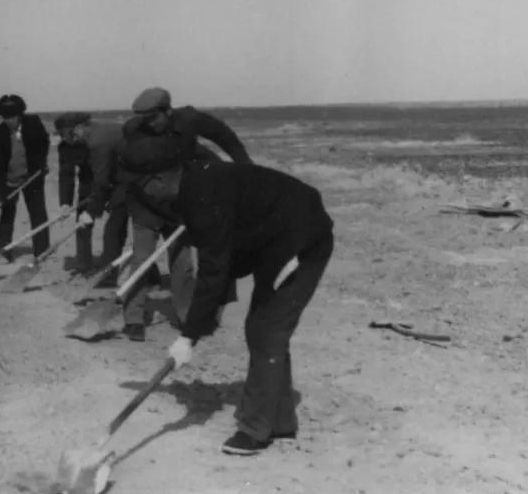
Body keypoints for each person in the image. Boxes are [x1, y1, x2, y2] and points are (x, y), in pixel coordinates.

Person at [129, 159, 335, 455]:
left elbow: (214, 268)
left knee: (267, 330)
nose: (150, 196)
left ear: (160, 178)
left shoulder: (201, 195)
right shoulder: (193, 187)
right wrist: (205, 316)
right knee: (265, 332)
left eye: (146, 188)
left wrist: (189, 336)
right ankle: (280, 423)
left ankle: (255, 430)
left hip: (301, 242)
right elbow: (223, 258)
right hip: (274, 239)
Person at [78, 87, 252, 341]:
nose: (148, 123)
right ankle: (134, 319)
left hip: (179, 206)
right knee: (142, 260)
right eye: (144, 118)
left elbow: (222, 137)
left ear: (167, 111)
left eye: (153, 118)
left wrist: (242, 167)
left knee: (183, 265)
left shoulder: (188, 120)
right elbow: (131, 178)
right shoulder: (134, 133)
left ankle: (186, 317)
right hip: (145, 205)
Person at [0, 94, 51, 261]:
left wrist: (42, 164)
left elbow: (44, 143)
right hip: (9, 180)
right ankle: (4, 251)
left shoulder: (34, 124)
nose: (9, 121)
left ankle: (42, 251)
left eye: (12, 117)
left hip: (32, 178)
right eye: (5, 118)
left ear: (20, 115)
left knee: (38, 214)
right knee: (7, 213)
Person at [54, 112, 98, 274]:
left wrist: (95, 205)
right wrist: (65, 203)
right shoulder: (65, 148)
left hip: (111, 182)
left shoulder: (94, 141)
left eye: (67, 133)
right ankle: (84, 264)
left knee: (117, 227)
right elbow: (66, 175)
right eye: (61, 134)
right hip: (87, 184)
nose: (66, 138)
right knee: (82, 222)